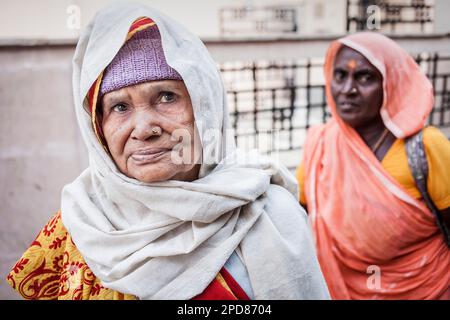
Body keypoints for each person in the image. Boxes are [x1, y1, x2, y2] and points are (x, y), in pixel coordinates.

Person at [6, 3, 330, 300]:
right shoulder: (79, 225)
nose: (144, 128)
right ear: (98, 128)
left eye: (166, 97)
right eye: (119, 106)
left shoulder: (271, 217)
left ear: (205, 107)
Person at [296, 32, 450, 300]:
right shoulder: (320, 145)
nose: (348, 89)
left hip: (426, 288)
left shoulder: (425, 147)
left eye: (364, 77)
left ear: (391, 83)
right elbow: (296, 216)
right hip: (342, 290)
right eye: (340, 75)